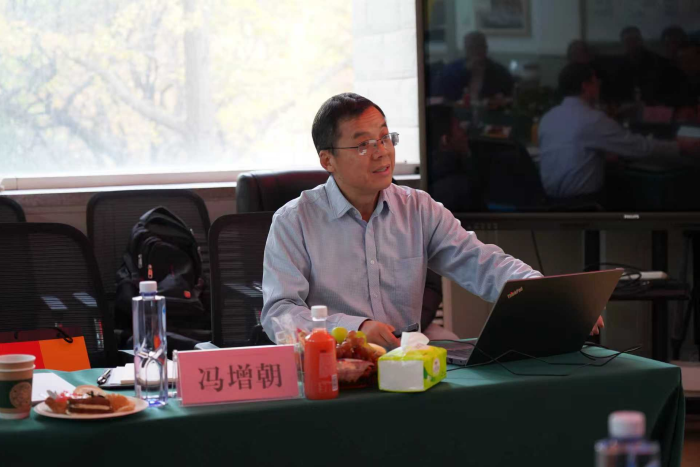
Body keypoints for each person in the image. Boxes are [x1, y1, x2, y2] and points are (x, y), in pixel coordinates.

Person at [261, 92, 604, 348]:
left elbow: (481, 262)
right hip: (335, 368)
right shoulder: (294, 221)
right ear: (328, 160)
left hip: (408, 364)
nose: (382, 152)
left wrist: (549, 298)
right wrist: (355, 329)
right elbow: (280, 313)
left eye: (385, 138)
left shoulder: (418, 208)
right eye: (363, 144)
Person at [538, 63, 698, 201]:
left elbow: (571, 150)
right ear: (585, 86)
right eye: (596, 81)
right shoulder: (592, 119)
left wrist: (602, 156)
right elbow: (638, 147)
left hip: (550, 203)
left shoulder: (548, 118)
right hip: (585, 204)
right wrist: (680, 147)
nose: (599, 85)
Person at [432, 31, 514, 104]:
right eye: (471, 47)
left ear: (486, 48)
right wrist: (464, 71)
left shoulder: (499, 72)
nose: (476, 51)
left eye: (479, 46)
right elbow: (439, 95)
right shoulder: (452, 70)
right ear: (466, 49)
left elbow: (511, 96)